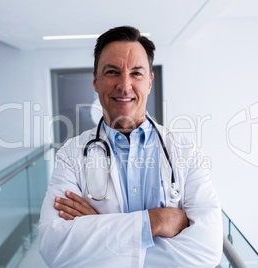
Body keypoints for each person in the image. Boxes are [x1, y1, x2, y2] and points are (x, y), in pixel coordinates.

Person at [39, 26, 223, 268]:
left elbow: (207, 252)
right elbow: (54, 247)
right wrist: (156, 221)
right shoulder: (71, 155)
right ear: (95, 80)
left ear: (149, 82)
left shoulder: (185, 151)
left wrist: (100, 229)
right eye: (112, 72)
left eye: (136, 73)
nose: (124, 86)